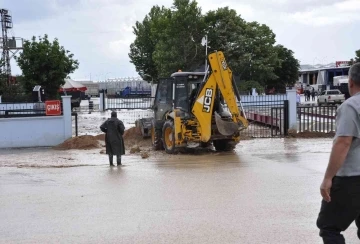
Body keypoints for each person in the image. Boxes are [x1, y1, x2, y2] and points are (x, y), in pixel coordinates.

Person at [316, 63, 360, 243]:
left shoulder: (351, 106)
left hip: (351, 178)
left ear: (350, 82)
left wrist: (328, 178)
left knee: (329, 227)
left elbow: (343, 143)